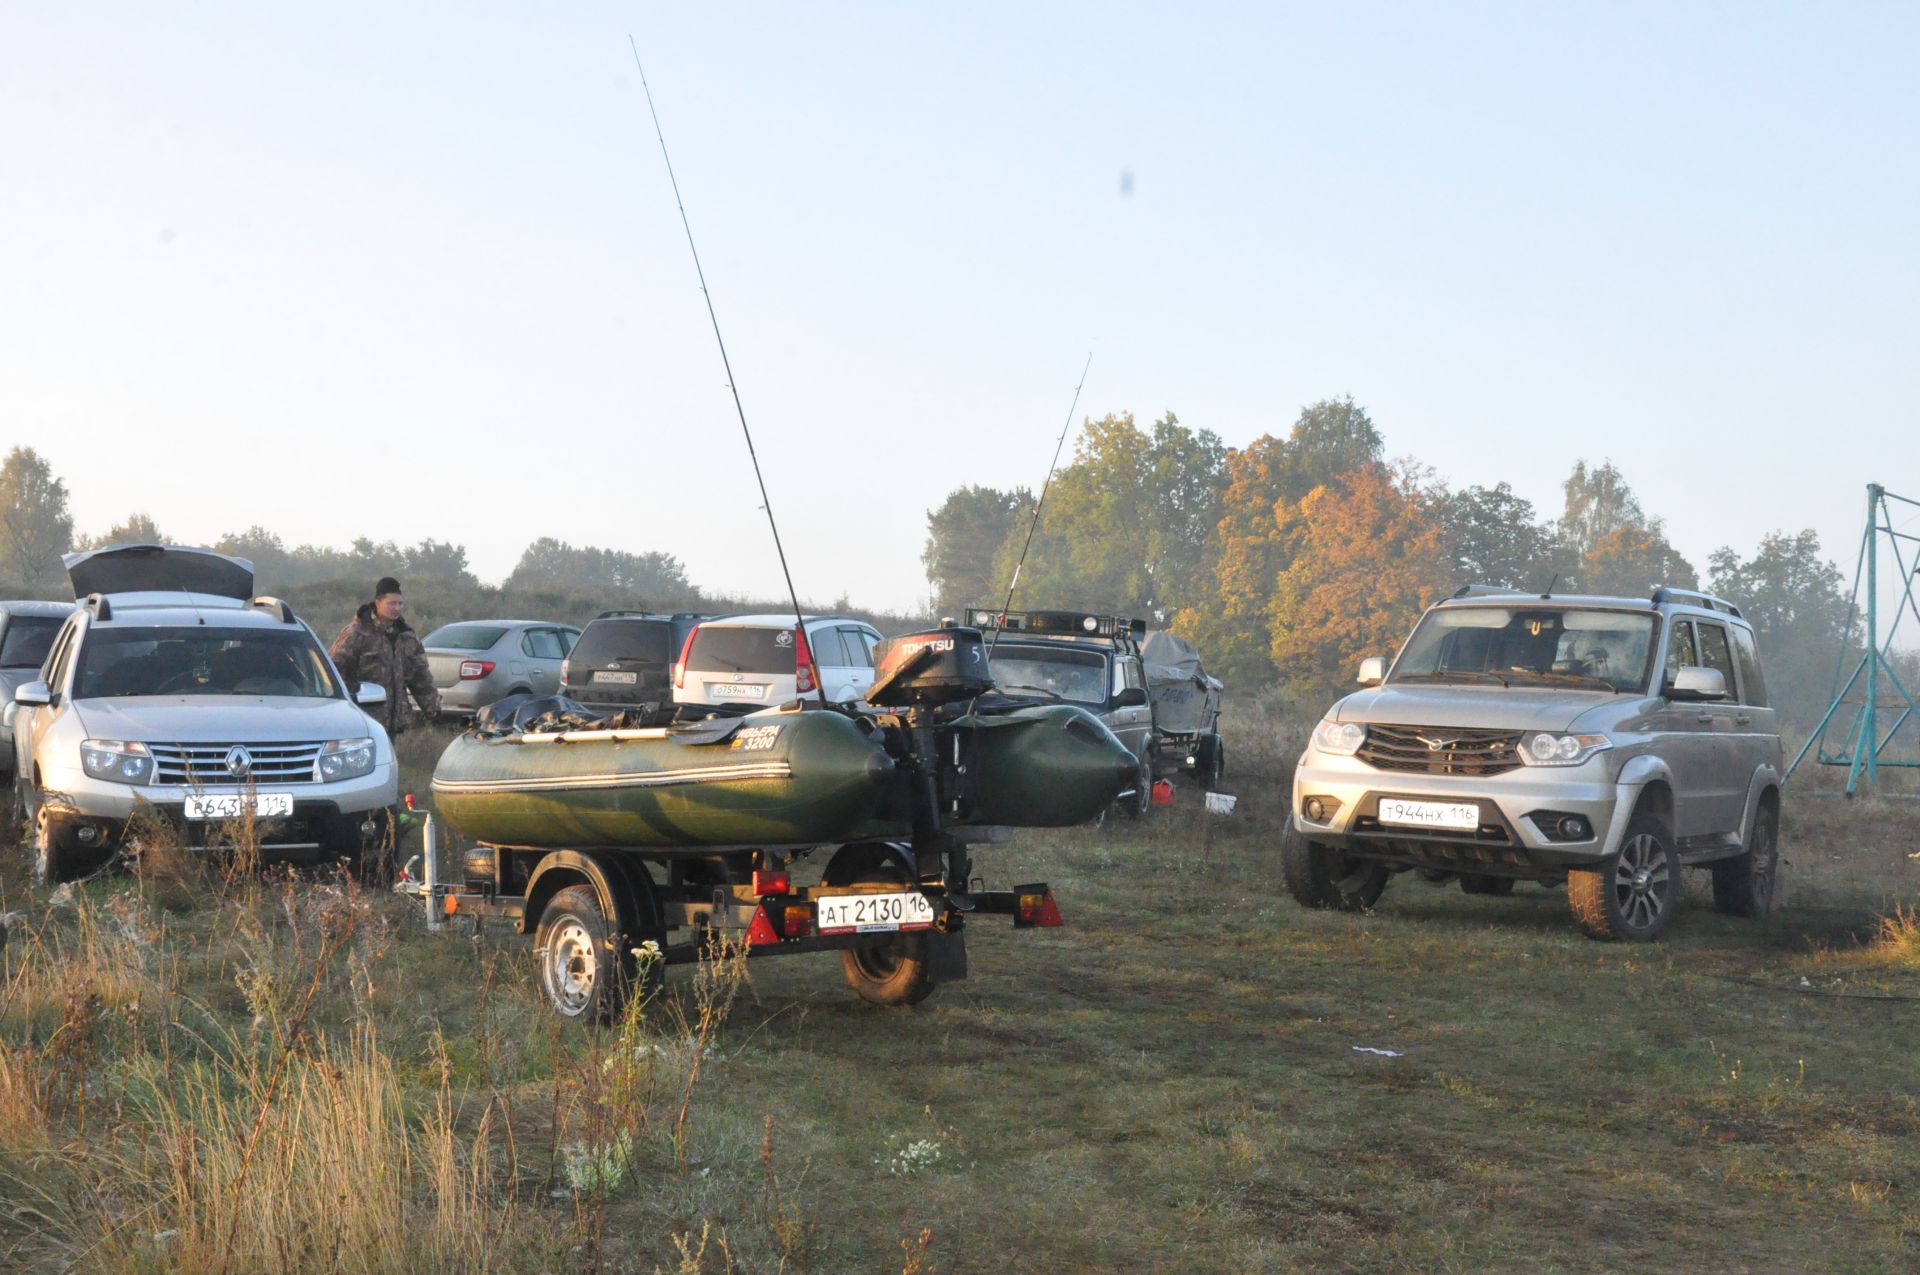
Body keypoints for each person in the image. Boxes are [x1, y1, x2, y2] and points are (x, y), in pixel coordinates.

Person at [329, 576, 441, 735]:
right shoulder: (357, 633)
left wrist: (432, 708)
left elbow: (420, 675)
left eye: (400, 603)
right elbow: (333, 670)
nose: (397, 608)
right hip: (363, 720)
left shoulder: (406, 636)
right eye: (392, 603)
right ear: (378, 603)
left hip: (395, 723)